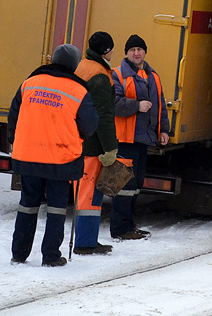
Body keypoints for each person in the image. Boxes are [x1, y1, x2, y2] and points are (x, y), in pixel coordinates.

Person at [6, 43, 97, 267]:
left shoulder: (30, 83)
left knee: (27, 205)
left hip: (28, 156)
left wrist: (14, 140)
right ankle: (50, 256)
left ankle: (19, 253)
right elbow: (90, 125)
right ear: (74, 65)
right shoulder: (78, 90)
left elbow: (14, 115)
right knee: (56, 208)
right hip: (60, 158)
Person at [110, 34, 170, 240]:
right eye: (132, 50)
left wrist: (164, 130)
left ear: (145, 52)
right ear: (126, 53)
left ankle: (129, 225)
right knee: (124, 186)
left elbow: (160, 105)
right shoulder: (117, 74)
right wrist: (137, 106)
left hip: (143, 139)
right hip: (125, 139)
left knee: (136, 185)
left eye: (139, 49)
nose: (136, 53)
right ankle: (119, 229)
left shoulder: (153, 76)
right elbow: (114, 103)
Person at [72, 30, 119, 256]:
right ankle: (85, 242)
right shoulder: (100, 75)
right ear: (106, 51)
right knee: (89, 195)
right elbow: (104, 114)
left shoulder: (83, 66)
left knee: (83, 192)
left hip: (79, 140)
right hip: (92, 146)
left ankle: (86, 239)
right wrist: (110, 146)